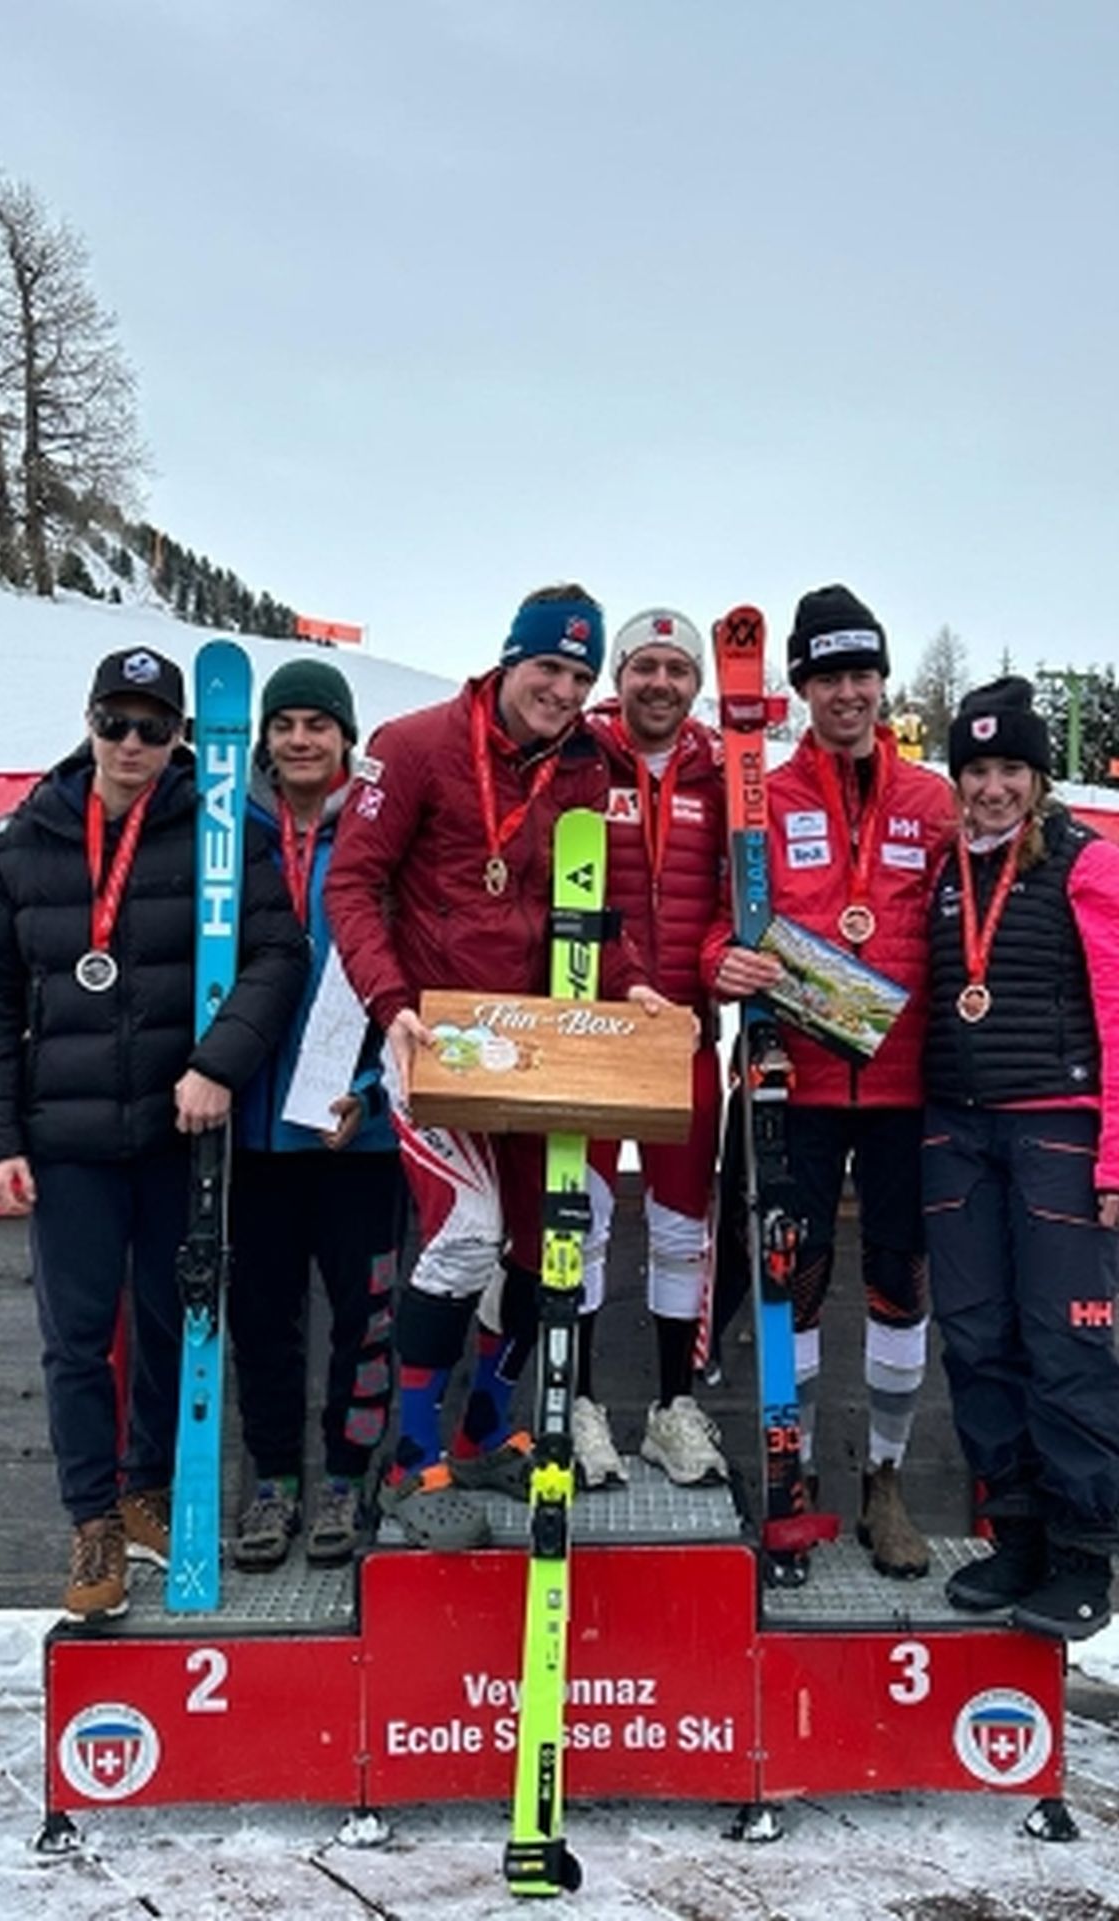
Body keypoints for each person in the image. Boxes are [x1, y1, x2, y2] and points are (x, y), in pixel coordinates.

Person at [0, 645, 307, 1619]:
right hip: (62, 1137)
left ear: (180, 735)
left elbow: (278, 954)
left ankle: (151, 1488)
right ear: (91, 721)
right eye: (118, 721)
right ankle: (93, 1519)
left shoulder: (222, 829)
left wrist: (217, 1065)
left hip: (175, 1126)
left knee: (170, 1321)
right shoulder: (20, 838)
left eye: (155, 726)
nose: (134, 742)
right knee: (75, 1339)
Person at [324, 584, 666, 1548]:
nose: (560, 689)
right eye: (546, 668)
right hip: (438, 1039)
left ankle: (486, 1427)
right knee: (467, 1234)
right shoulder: (417, 742)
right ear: (508, 660)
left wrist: (629, 979)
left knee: (541, 1246)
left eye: (577, 674)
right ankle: (412, 1455)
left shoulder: (585, 769)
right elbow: (354, 880)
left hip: (538, 1043)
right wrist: (392, 1007)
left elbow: (590, 903)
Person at [705, 585, 957, 1577]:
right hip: (795, 1086)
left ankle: (885, 1483)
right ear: (800, 687)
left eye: (862, 674)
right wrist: (718, 960)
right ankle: (793, 1476)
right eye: (827, 677)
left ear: (882, 683)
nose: (847, 693)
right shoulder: (761, 792)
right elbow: (719, 922)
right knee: (793, 1289)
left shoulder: (934, 799)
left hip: (908, 1089)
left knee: (901, 1286)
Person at [919, 676, 1119, 1638]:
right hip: (954, 1133)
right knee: (978, 1339)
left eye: (1010, 768)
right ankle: (1015, 1529)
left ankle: (1084, 1546)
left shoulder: (1090, 864)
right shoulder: (941, 870)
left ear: (1038, 774)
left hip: (1061, 1132)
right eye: (975, 769)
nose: (991, 788)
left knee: (1066, 1342)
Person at [227, 656, 406, 1568]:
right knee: (260, 1315)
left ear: (345, 737)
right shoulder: (233, 832)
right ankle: (273, 1483)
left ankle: (345, 1473)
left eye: (318, 725)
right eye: (286, 724)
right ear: (264, 736)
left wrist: (375, 1091)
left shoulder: (380, 841)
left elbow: (409, 978)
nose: (301, 740)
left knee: (364, 1315)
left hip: (356, 1131)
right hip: (253, 1130)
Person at [552, 606, 733, 1490]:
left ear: (696, 683)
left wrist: (712, 964)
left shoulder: (725, 771)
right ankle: (579, 1404)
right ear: (617, 678)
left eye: (677, 668)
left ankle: (670, 1407)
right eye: (643, 667)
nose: (660, 682)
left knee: (679, 1229)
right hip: (590, 1027)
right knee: (576, 1223)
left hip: (684, 1031)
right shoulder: (577, 756)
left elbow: (743, 898)